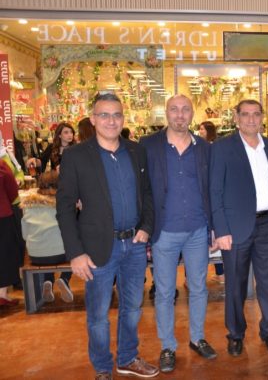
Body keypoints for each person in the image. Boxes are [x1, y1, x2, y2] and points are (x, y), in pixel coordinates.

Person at [56, 93, 158, 379]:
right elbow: (64, 208)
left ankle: (127, 358)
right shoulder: (76, 156)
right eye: (104, 115)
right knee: (98, 315)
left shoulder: (136, 151)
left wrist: (146, 227)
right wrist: (75, 253)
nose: (111, 121)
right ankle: (102, 367)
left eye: (116, 115)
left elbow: (147, 194)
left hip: (134, 245)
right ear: (93, 119)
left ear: (123, 118)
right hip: (97, 248)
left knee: (133, 308)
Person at [139, 94, 216, 373]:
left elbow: (212, 189)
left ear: (192, 114)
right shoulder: (148, 146)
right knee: (164, 292)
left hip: (197, 229)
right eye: (174, 109)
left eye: (185, 110)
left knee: (199, 287)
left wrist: (214, 226)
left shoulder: (204, 148)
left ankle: (197, 338)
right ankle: (167, 346)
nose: (180, 115)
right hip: (164, 231)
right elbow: (141, 188)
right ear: (166, 113)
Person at [210, 99, 268, 356]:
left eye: (256, 114)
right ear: (236, 117)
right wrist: (221, 230)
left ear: (262, 117)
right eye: (245, 114)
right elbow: (215, 191)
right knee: (235, 285)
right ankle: (235, 334)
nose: (251, 119)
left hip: (267, 225)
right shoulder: (221, 148)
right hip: (234, 229)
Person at [21, 170, 74, 303]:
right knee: (75, 250)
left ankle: (48, 280)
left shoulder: (28, 205)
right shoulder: (64, 203)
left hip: (35, 255)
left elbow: (24, 235)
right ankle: (64, 278)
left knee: (45, 247)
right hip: (62, 253)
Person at [197, 120, 224, 282]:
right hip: (203, 198)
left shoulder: (213, 147)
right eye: (199, 129)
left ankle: (220, 272)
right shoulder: (199, 147)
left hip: (211, 195)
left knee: (215, 234)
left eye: (202, 129)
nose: (200, 131)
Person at [0, 159, 20, 307]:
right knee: (5, 254)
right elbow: (13, 190)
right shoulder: (1, 165)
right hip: (2, 214)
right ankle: (2, 294)